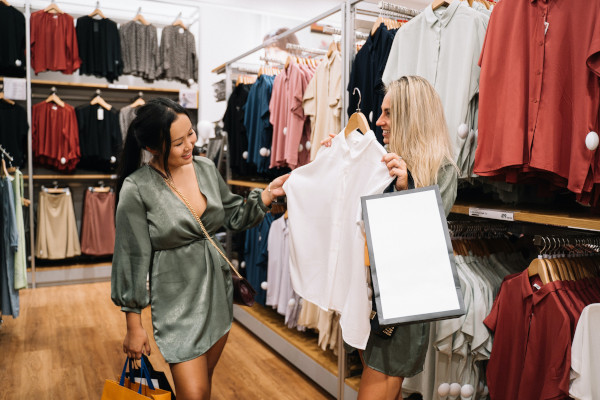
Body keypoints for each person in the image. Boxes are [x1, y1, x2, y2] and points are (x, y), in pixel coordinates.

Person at [111, 98, 288, 400]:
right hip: (176, 303)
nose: (190, 145)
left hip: (216, 295)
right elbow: (131, 258)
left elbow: (233, 215)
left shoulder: (204, 168)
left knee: (202, 386)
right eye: (178, 142)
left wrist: (268, 195)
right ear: (153, 148)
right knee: (193, 393)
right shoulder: (137, 188)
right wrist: (133, 324)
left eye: (190, 134)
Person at [324, 75, 458, 399]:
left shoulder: (442, 171)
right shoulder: (384, 161)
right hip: (369, 301)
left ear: (412, 116)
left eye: (389, 113)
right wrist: (338, 156)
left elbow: (426, 242)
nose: (379, 120)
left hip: (399, 316)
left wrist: (407, 186)